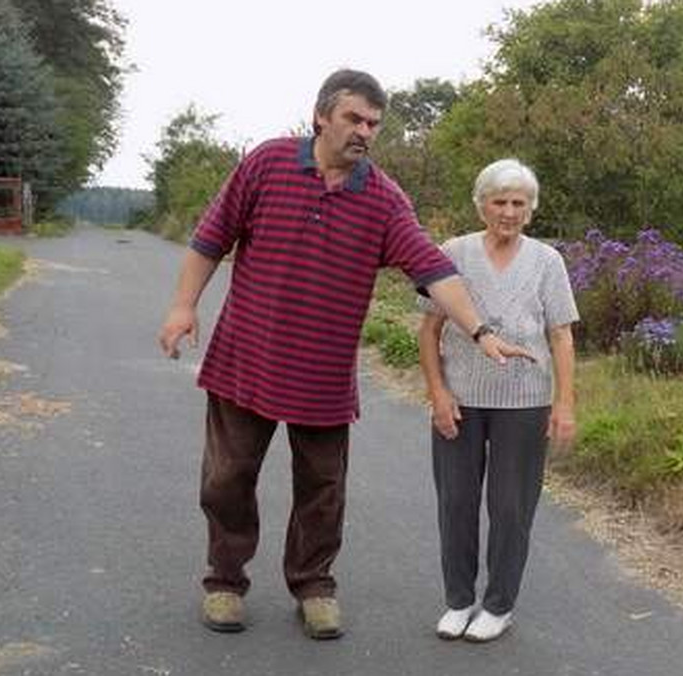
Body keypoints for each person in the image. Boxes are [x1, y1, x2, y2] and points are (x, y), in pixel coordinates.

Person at [156, 69, 530, 640]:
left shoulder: (382, 199)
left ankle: (313, 585)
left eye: (374, 124)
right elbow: (212, 238)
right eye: (355, 119)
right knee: (228, 478)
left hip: (322, 373)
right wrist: (183, 305)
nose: (365, 132)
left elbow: (433, 268)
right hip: (245, 357)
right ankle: (225, 581)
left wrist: (480, 330)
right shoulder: (266, 164)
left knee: (322, 489)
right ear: (321, 116)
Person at [418, 158, 578, 643]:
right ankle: (459, 600)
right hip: (461, 399)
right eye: (499, 201)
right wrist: (438, 393)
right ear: (481, 204)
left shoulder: (547, 261)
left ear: (530, 209)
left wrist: (563, 403)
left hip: (525, 403)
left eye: (518, 203)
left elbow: (562, 337)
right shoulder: (453, 253)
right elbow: (429, 329)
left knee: (511, 507)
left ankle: (499, 604)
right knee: (456, 503)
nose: (509, 212)